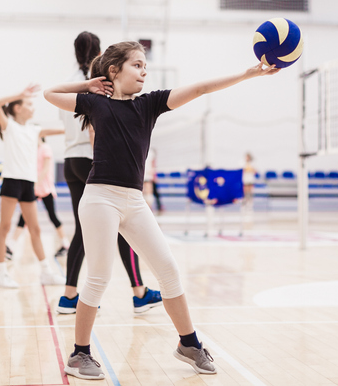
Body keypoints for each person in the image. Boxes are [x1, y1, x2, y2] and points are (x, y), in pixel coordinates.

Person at [44, 40, 279, 380]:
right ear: (114, 71)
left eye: (144, 66)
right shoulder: (95, 103)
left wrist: (247, 74)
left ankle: (189, 343)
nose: (143, 71)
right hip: (100, 198)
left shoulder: (149, 104)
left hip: (134, 200)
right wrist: (88, 84)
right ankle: (79, 354)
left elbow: (199, 89)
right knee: (99, 276)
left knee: (168, 269)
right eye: (137, 65)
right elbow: (50, 94)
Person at [57, 31, 162, 316]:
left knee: (85, 228)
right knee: (122, 225)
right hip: (94, 161)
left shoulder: (72, 81)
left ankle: (69, 294)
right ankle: (139, 292)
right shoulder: (100, 84)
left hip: (69, 160)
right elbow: (95, 128)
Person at [0, 85, 66, 288]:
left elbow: (64, 130)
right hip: (11, 181)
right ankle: (1, 273)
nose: (32, 108)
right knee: (5, 227)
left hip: (28, 183)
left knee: (35, 229)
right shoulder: (9, 126)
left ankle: (45, 272)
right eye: (28, 104)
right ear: (17, 108)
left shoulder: (34, 130)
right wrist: (19, 94)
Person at [13, 137, 69, 257]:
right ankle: (11, 247)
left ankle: (65, 244)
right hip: (34, 187)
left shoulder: (45, 148)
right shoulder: (33, 149)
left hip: (44, 187)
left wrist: (36, 184)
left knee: (52, 216)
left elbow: (45, 169)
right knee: (23, 217)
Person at [143, 148, 163, 212]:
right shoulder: (151, 152)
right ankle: (148, 207)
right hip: (147, 175)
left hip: (144, 174)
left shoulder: (149, 152)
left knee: (145, 193)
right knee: (148, 193)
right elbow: (153, 165)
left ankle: (148, 207)